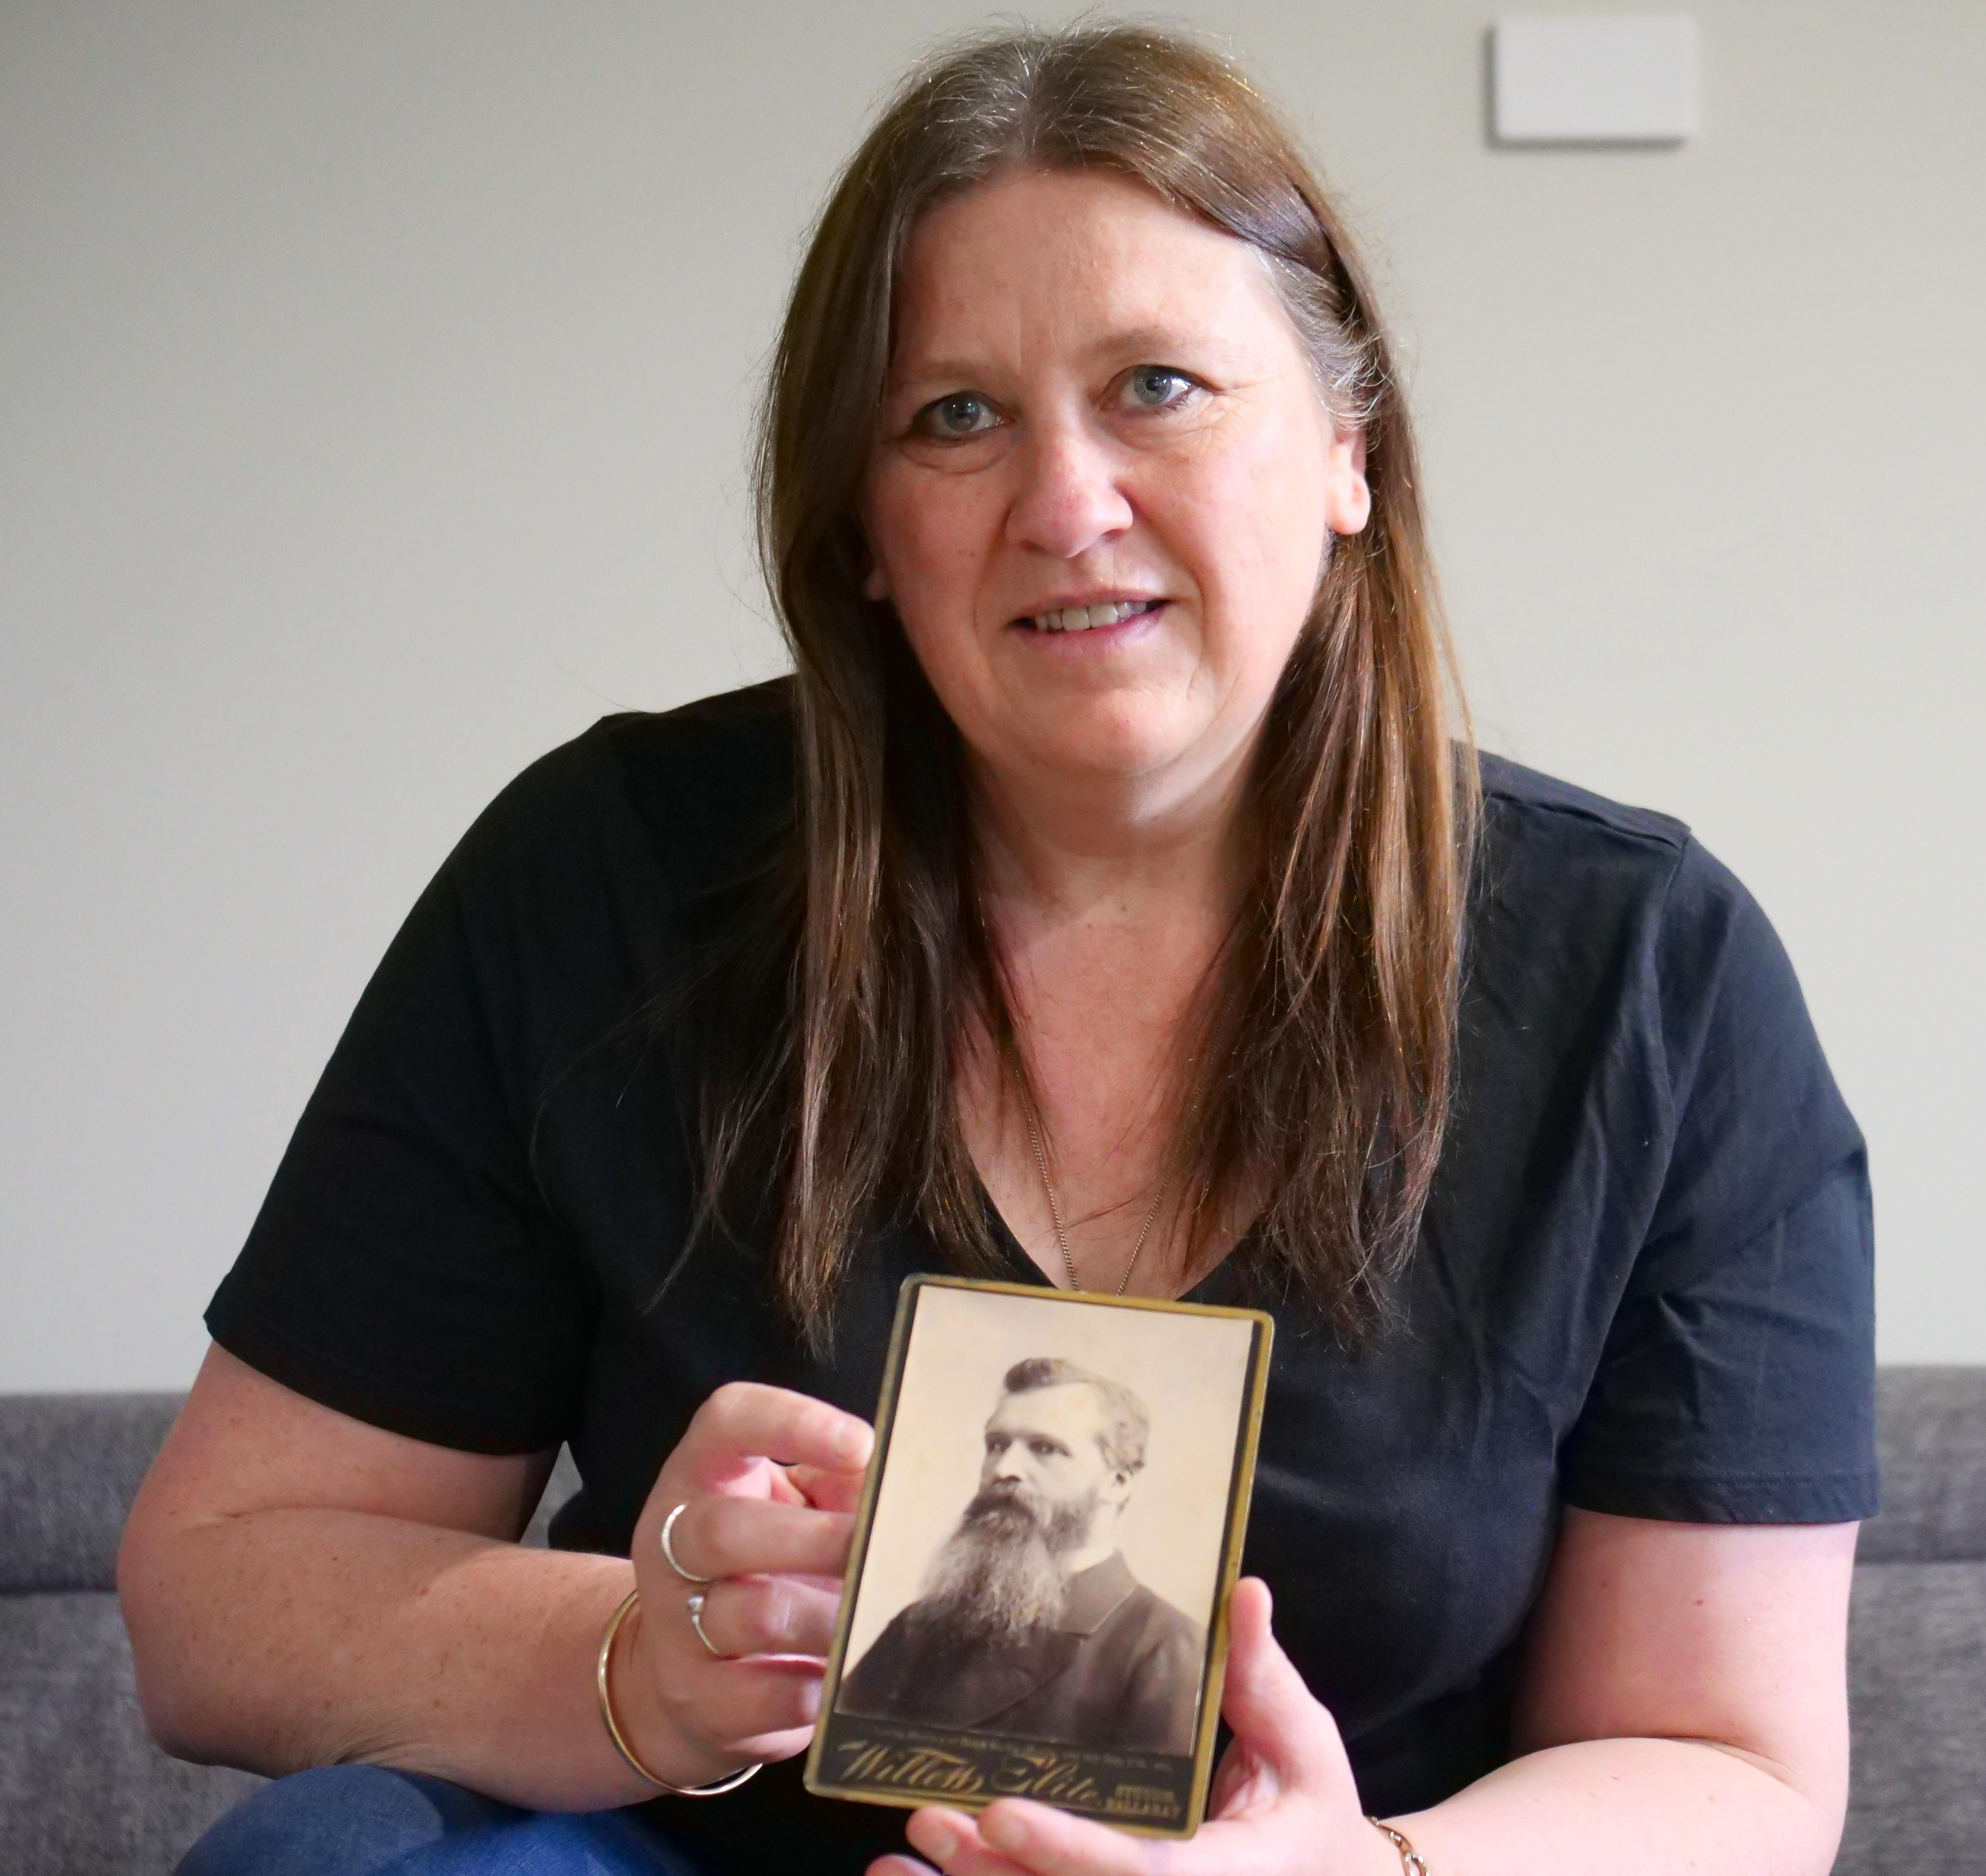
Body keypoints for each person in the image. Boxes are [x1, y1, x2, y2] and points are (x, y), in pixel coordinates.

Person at [120, 24, 1875, 1876]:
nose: (1063, 499)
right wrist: (643, 1656)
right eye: (953, 415)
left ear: (1347, 449)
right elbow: (214, 1595)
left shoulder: (1647, 977)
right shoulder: (600, 881)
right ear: (867, 527)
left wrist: (1357, 1871)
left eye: (1157, 386)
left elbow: (1728, 1762)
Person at [836, 1358, 1204, 1755]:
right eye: (997, 1445)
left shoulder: (1167, 1648)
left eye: (1046, 1448)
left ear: (1116, 1483)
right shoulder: (918, 1626)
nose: (1005, 1469)